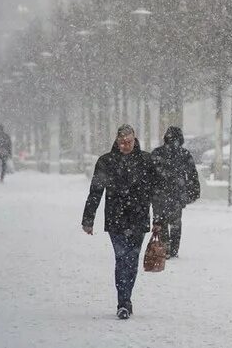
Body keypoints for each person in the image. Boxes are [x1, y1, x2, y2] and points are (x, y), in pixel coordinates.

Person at [82, 124, 164, 320]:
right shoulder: (106, 162)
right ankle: (123, 302)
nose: (125, 146)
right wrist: (88, 219)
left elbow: (157, 191)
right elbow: (95, 191)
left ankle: (126, 298)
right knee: (121, 259)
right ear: (116, 141)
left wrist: (159, 218)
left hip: (138, 217)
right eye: (121, 142)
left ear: (134, 139)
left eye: (128, 142)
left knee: (132, 260)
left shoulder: (146, 161)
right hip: (116, 218)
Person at [152, 127, 200, 259]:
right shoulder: (184, 154)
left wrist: (149, 191)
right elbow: (192, 175)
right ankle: (173, 249)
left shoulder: (157, 153)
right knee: (175, 222)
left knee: (160, 220)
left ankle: (164, 247)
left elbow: (150, 174)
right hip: (176, 194)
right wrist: (193, 192)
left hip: (159, 193)